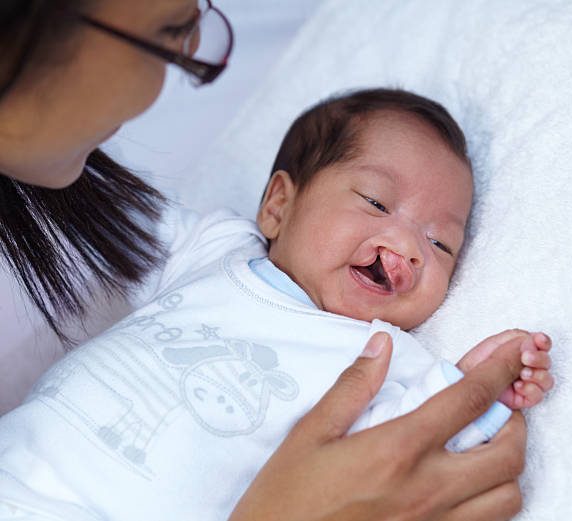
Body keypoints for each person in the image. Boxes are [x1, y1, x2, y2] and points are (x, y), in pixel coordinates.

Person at [0, 1, 532, 520]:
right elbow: (130, 227)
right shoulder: (217, 248)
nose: (410, 245)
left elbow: (421, 439)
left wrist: (485, 382)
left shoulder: (381, 355)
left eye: (441, 244)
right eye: (374, 202)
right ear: (278, 206)